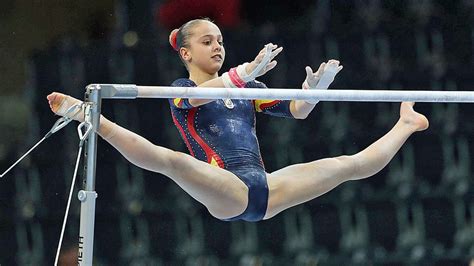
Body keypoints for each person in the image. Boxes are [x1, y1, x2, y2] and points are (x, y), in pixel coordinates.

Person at [47, 18, 429, 222]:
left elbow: (297, 111)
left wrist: (315, 88)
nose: (217, 46)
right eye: (207, 41)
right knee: (171, 160)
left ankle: (407, 124)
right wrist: (241, 74)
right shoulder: (181, 89)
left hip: (266, 189)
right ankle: (88, 114)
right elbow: (199, 96)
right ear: (185, 52)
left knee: (348, 165)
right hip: (226, 189)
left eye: (219, 40)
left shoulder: (246, 89)